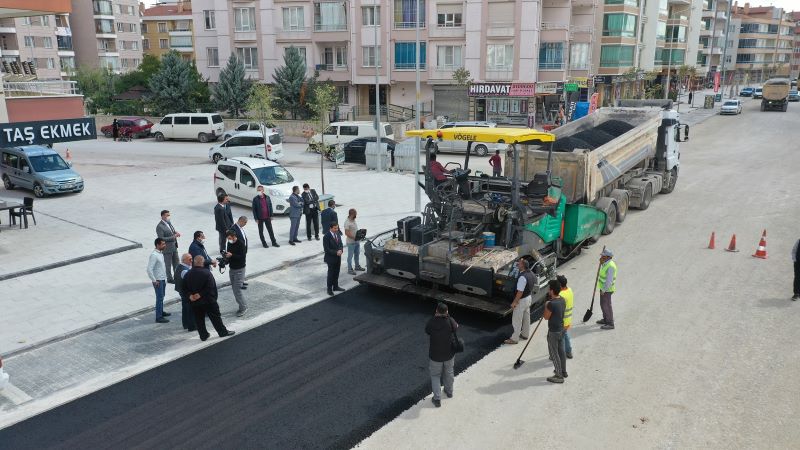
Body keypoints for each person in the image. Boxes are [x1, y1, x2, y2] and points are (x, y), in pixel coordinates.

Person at [184, 255, 236, 341]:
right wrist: (203, 295)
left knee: (199, 319)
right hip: (208, 301)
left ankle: (203, 335)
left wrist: (190, 296)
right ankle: (222, 332)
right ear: (202, 262)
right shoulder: (206, 273)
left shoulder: (188, 274)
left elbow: (183, 288)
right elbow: (210, 287)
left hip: (195, 302)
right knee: (215, 317)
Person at [425, 302, 457, 408]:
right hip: (449, 354)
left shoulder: (431, 322)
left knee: (435, 376)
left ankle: (437, 399)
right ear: (447, 311)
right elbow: (456, 327)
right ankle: (449, 392)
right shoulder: (450, 321)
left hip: (435, 355)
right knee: (449, 372)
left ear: (436, 311)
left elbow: (427, 331)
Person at [505, 259, 535, 344]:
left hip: (521, 300)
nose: (517, 265)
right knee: (526, 317)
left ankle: (514, 338)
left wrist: (514, 302)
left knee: (517, 320)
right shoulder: (531, 274)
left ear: (523, 266)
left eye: (519, 264)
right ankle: (525, 334)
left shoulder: (522, 277)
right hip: (529, 298)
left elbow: (520, 292)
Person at [543, 279, 566, 383]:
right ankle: (563, 371)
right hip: (562, 329)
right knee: (561, 351)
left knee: (554, 353)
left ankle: (558, 375)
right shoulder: (562, 300)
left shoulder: (551, 304)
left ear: (552, 291)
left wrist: (546, 305)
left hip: (553, 331)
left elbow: (546, 317)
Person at [146, 238, 170, 323]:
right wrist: (154, 280)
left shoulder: (160, 253)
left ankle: (161, 312)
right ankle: (158, 317)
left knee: (162, 296)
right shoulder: (154, 255)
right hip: (158, 280)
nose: (165, 245)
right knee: (159, 298)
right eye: (163, 244)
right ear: (157, 245)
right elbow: (149, 269)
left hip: (163, 279)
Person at [224, 230, 248, 316]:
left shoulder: (241, 244)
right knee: (234, 289)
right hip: (232, 269)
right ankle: (242, 306)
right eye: (227, 238)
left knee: (237, 290)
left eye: (230, 238)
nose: (229, 240)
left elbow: (242, 257)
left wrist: (232, 255)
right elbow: (229, 255)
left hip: (240, 269)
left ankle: (243, 307)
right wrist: (225, 259)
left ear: (234, 236)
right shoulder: (229, 243)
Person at [156, 210, 181, 283]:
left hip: (174, 247)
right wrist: (173, 237)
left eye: (169, 215)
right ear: (163, 216)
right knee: (168, 264)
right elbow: (161, 238)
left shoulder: (169, 223)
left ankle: (177, 276)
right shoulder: (159, 227)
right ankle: (169, 279)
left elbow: (171, 231)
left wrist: (175, 232)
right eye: (167, 215)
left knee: (176, 262)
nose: (168, 217)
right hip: (167, 248)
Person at [597, 248, 617, 330]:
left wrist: (604, 290)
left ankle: (610, 323)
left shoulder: (611, 266)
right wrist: (601, 264)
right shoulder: (605, 263)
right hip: (603, 288)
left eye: (603, 256)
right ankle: (605, 319)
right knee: (602, 304)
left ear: (608, 257)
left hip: (607, 290)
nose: (601, 257)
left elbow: (609, 280)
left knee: (607, 306)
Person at [174, 253, 195, 332]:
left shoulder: (179, 267)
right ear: (184, 260)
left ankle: (185, 324)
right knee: (189, 309)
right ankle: (191, 326)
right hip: (186, 292)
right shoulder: (185, 270)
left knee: (185, 308)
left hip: (181, 291)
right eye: (190, 259)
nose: (191, 260)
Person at [323, 222, 345, 295]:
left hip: (338, 257)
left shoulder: (338, 234)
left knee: (337, 272)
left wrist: (341, 250)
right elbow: (327, 249)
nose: (336, 229)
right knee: (331, 274)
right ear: (331, 228)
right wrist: (336, 252)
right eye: (335, 228)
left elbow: (340, 244)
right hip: (331, 258)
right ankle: (329, 289)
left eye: (337, 228)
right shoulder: (326, 236)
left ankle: (335, 286)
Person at [343, 208, 365, 275]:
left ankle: (357, 266)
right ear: (351, 214)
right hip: (351, 243)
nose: (356, 216)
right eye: (355, 214)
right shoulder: (347, 222)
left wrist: (360, 235)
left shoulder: (353, 220)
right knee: (350, 256)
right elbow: (347, 233)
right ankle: (350, 269)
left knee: (357, 254)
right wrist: (355, 237)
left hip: (356, 241)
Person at [557, 274, 574, 359]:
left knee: (559, 338)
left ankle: (560, 354)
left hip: (561, 320)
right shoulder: (570, 290)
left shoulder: (561, 295)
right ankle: (569, 351)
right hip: (568, 319)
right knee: (565, 335)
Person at [231, 216, 249, 288]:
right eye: (245, 222)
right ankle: (239, 284)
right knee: (239, 268)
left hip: (242, 252)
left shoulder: (240, 228)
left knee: (242, 267)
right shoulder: (233, 229)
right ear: (241, 221)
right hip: (238, 252)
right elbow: (232, 242)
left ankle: (241, 281)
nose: (245, 224)